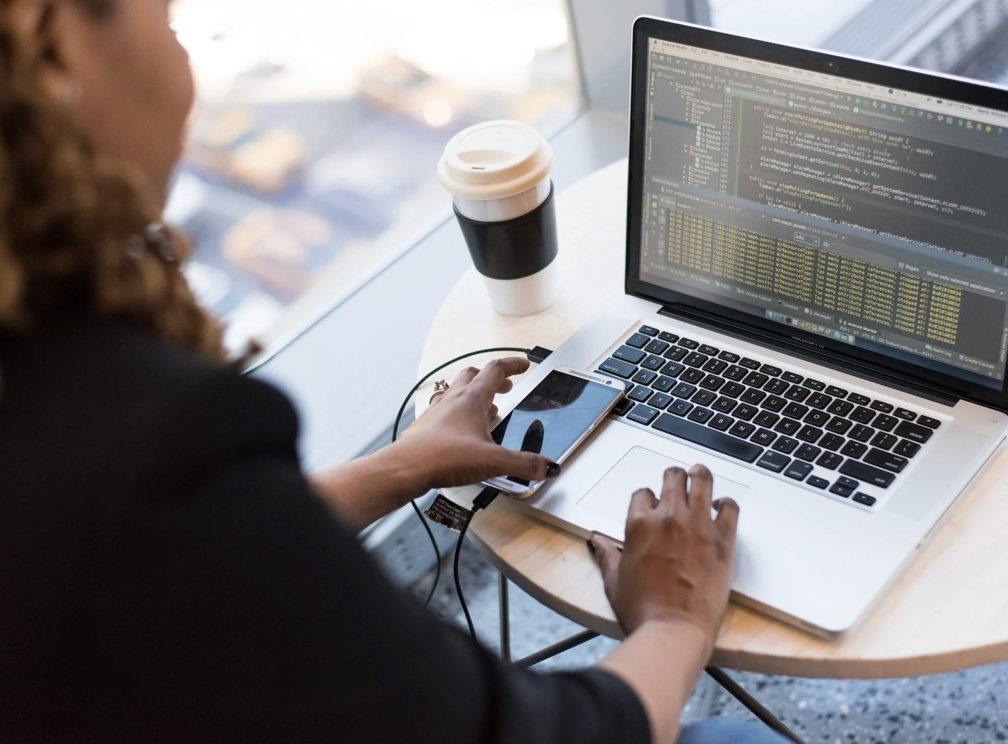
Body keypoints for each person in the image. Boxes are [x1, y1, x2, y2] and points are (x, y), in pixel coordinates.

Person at [0, 1, 794, 742]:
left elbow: (180, 555)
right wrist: (676, 623)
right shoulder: (151, 435)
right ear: (54, 47)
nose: (180, 53)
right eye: (167, 18)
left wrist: (400, 465)